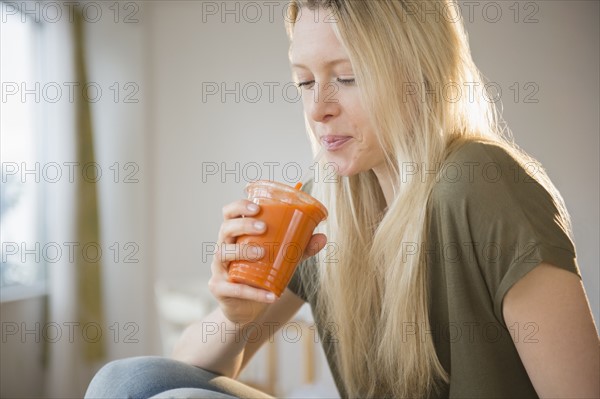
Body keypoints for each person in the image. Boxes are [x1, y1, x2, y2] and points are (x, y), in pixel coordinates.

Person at [85, 1, 600, 398]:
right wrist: (234, 316)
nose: (318, 108)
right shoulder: (327, 206)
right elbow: (185, 369)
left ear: (419, 75)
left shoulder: (479, 184)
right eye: (304, 81)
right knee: (126, 381)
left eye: (347, 77)